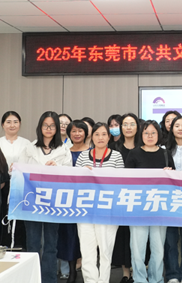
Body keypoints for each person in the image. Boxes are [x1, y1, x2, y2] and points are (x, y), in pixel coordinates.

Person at [19, 111, 72, 283]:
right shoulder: (30, 148)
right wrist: (14, 168)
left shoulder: (63, 150)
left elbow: (69, 174)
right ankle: (32, 278)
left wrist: (56, 167)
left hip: (53, 202)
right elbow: (19, 172)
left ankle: (49, 279)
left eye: (52, 126)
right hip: (31, 201)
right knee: (33, 243)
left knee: (51, 244)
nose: (48, 129)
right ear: (40, 127)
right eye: (45, 125)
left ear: (57, 128)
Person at [125, 120, 175, 283]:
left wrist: (169, 173)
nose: (150, 136)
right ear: (141, 135)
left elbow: (174, 180)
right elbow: (127, 181)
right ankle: (139, 279)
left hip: (159, 207)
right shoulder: (134, 154)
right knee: (137, 249)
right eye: (146, 133)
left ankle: (156, 279)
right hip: (138, 207)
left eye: (153, 133)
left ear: (159, 135)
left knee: (158, 248)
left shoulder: (166, 154)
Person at [76, 122, 124, 283]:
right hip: (85, 209)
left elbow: (121, 182)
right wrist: (83, 172)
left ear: (109, 137)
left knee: (105, 251)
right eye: (97, 134)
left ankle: (103, 280)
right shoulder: (83, 156)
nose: (100, 138)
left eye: (104, 134)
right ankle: (90, 280)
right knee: (87, 251)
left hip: (107, 210)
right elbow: (75, 181)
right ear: (92, 137)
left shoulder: (116, 156)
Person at [58, 119, 90, 283]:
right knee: (69, 235)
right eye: (74, 131)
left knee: (87, 236)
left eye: (80, 131)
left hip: (87, 200)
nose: (77, 134)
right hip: (68, 200)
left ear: (86, 133)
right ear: (69, 133)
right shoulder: (63, 152)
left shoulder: (92, 152)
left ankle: (88, 271)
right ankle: (72, 271)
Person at [164, 116, 182, 283]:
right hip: (169, 198)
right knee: (171, 239)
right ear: (171, 128)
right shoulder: (163, 149)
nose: (180, 128)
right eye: (177, 125)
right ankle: (172, 274)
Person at [112, 113, 141, 282]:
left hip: (140, 199)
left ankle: (138, 270)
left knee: (138, 235)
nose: (128, 127)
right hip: (120, 198)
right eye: (125, 124)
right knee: (123, 234)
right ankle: (125, 272)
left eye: (132, 124)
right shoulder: (114, 148)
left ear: (137, 126)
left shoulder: (144, 146)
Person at [0, 111, 31, 248]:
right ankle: (3, 246)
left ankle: (19, 246)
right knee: (2, 214)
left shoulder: (27, 143)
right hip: (1, 184)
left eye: (15, 122)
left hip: (21, 185)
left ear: (20, 124)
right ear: (2, 125)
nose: (12, 125)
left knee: (20, 216)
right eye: (9, 122)